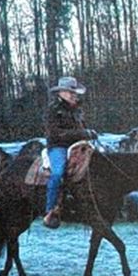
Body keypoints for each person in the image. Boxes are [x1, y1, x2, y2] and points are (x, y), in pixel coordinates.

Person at [43, 76, 96, 229]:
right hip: (58, 146)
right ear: (61, 93)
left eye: (75, 92)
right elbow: (54, 133)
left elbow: (82, 128)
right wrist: (81, 134)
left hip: (78, 145)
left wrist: (88, 133)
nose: (74, 95)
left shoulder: (77, 110)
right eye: (70, 92)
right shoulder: (52, 111)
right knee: (58, 173)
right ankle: (50, 209)